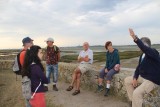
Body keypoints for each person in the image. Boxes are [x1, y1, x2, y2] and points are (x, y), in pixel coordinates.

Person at [124, 28, 160, 107]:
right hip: (143, 77)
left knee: (136, 93)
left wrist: (135, 38)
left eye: (141, 45)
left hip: (152, 81)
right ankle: (133, 102)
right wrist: (135, 78)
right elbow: (138, 68)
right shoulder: (142, 55)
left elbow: (145, 48)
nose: (139, 47)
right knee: (127, 80)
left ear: (146, 46)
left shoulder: (154, 52)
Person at [20, 37, 33, 107]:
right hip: (28, 77)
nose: (32, 43)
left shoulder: (23, 52)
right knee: (29, 96)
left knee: (28, 95)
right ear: (26, 43)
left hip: (26, 76)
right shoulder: (25, 53)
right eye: (31, 42)